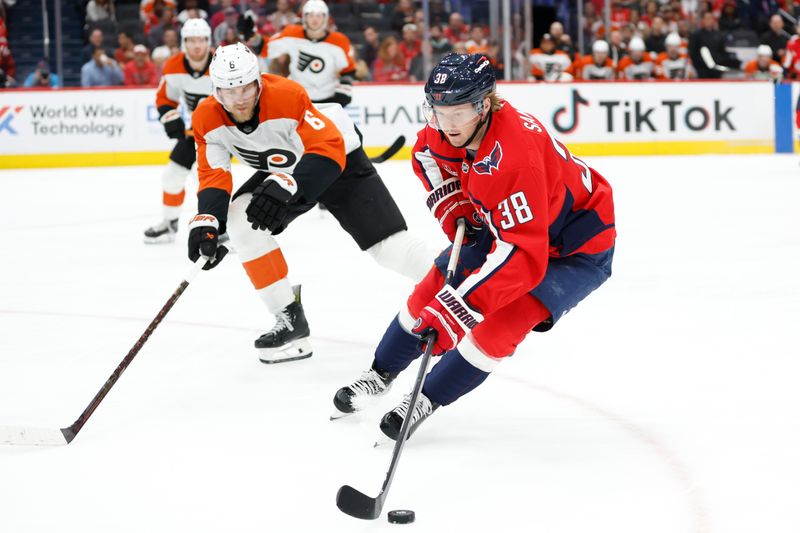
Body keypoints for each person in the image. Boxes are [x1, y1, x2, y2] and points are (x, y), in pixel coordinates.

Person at [331, 53, 616, 441]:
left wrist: (458, 311)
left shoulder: (514, 157)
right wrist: (458, 208)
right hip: (512, 226)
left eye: (457, 114)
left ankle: (424, 399)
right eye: (438, 112)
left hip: (574, 248)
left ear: (484, 105)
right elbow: (425, 155)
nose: (446, 125)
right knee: (432, 288)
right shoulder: (448, 126)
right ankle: (380, 374)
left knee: (499, 327)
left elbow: (522, 257)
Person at [188, 43, 435, 363]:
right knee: (240, 221)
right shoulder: (207, 117)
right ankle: (289, 318)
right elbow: (213, 175)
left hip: (338, 159)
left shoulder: (287, 95)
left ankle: (460, 290)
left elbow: (328, 148)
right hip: (286, 169)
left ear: (258, 82)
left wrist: (288, 184)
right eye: (228, 91)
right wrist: (207, 222)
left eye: (245, 87)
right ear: (215, 89)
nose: (238, 99)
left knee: (388, 249)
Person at [143, 18, 214, 243]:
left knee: (210, 184)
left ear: (208, 41)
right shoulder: (174, 65)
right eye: (191, 40)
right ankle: (170, 224)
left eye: (201, 39)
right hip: (194, 133)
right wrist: (170, 117)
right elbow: (166, 98)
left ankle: (219, 229)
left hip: (223, 135)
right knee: (172, 178)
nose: (197, 45)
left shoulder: (221, 63)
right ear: (184, 42)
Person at [262, 0, 355, 107]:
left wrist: (343, 92)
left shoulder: (339, 41)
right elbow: (266, 48)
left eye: (319, 15)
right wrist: (253, 37)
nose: (315, 19)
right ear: (304, 17)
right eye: (310, 15)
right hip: (299, 98)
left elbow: (348, 70)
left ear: (326, 18)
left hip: (329, 99)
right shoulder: (292, 34)